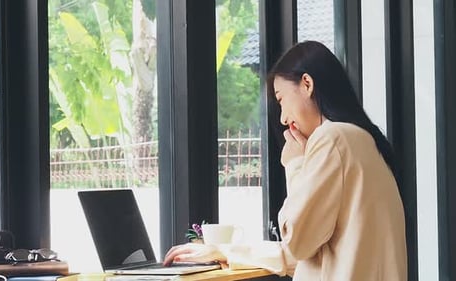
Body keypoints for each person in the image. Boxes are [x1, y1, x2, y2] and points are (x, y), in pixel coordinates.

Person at [163, 41, 407, 281]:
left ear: (307, 84)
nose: (282, 118)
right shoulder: (365, 142)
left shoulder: (331, 138)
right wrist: (225, 252)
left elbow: (298, 242)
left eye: (280, 99)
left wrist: (295, 165)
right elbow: (307, 254)